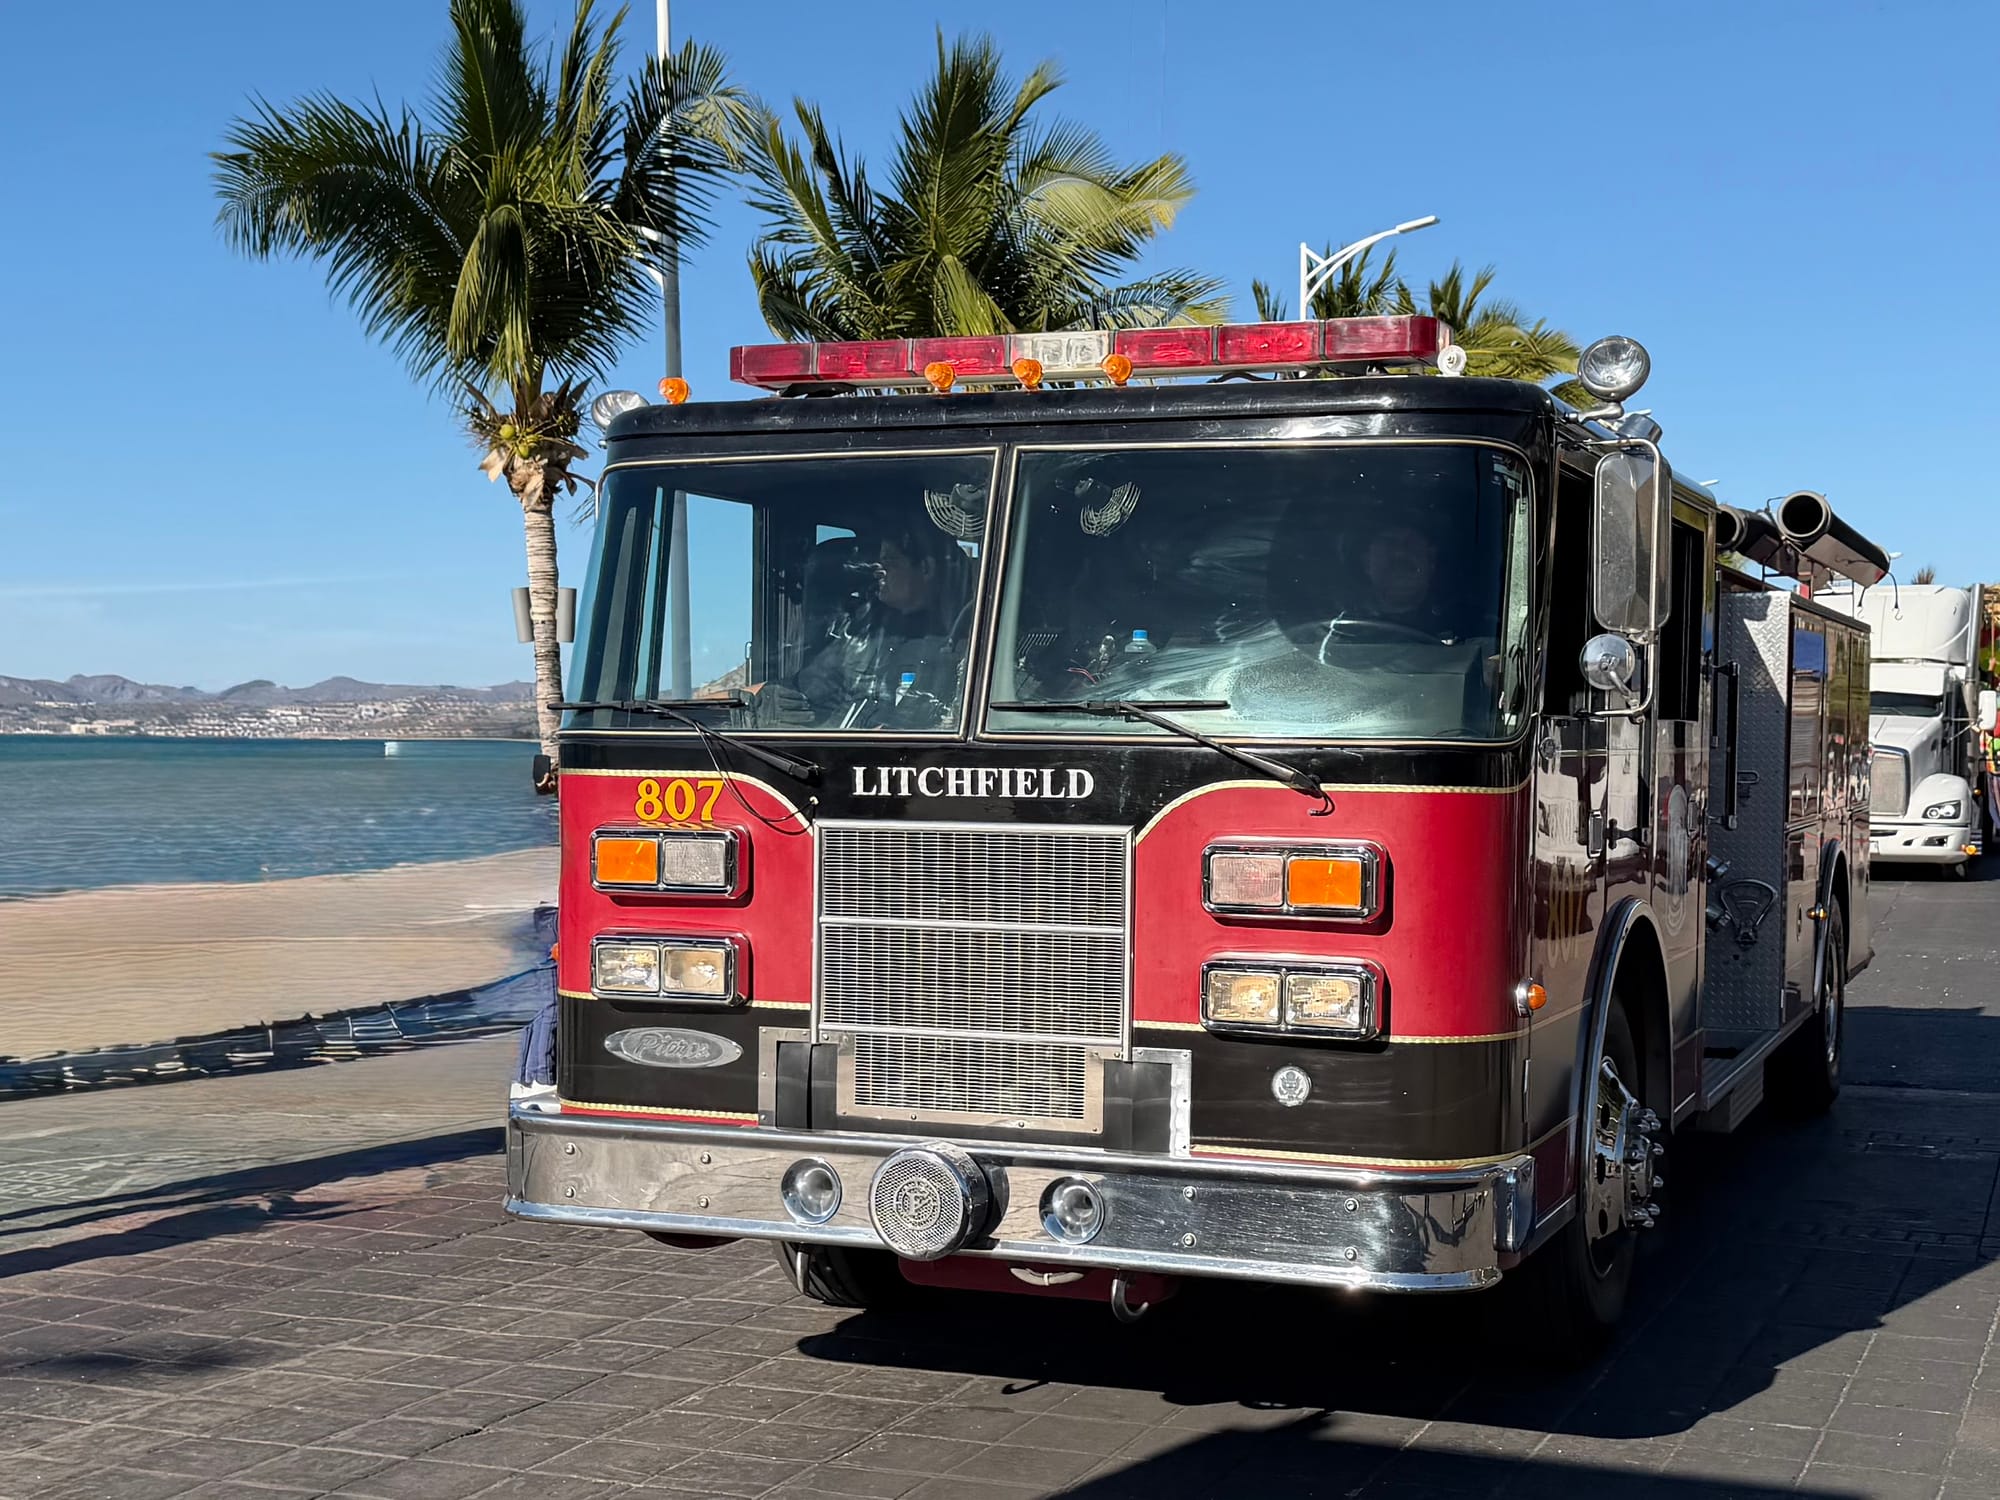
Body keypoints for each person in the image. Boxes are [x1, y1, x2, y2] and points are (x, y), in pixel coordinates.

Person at [753, 520, 971, 728]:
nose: (879, 569)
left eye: (890, 561)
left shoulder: (964, 640)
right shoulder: (866, 632)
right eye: (879, 560)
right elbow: (806, 686)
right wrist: (758, 699)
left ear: (926, 567)